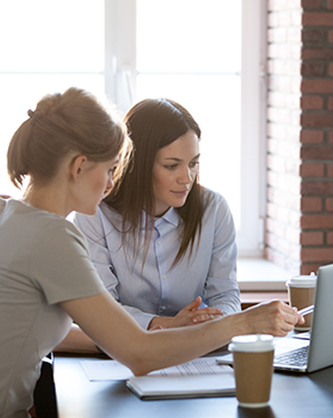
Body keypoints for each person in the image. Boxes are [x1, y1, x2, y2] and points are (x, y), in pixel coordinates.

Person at [0, 87, 303, 418]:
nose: (113, 183)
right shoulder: (52, 237)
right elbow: (139, 355)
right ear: (80, 167)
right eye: (112, 168)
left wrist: (166, 329)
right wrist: (243, 324)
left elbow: (22, 332)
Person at [73, 98, 240, 331]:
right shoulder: (95, 213)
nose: (187, 178)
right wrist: (165, 325)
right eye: (172, 166)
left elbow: (227, 294)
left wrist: (214, 320)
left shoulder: (213, 209)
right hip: (119, 351)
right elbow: (101, 307)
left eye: (193, 163)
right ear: (138, 164)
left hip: (196, 347)